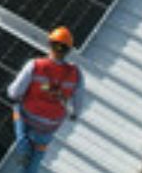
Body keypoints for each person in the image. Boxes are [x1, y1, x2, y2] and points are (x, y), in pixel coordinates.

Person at [6, 26, 84, 173]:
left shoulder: (35, 65)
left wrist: (14, 95)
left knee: (16, 107)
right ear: (68, 50)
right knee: (39, 152)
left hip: (29, 117)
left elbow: (14, 92)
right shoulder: (76, 73)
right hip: (51, 123)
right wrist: (74, 114)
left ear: (50, 44)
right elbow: (78, 102)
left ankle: (23, 144)